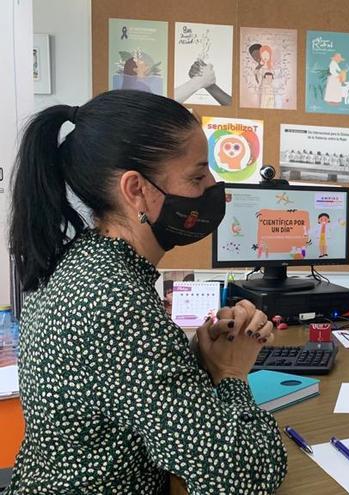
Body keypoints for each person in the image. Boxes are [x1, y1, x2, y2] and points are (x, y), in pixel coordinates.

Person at [7, 90, 287, 493]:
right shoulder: (112, 299)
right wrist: (230, 373)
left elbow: (121, 392)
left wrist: (194, 360)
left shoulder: (84, 261)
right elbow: (243, 478)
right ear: (136, 189)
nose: (214, 186)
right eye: (197, 176)